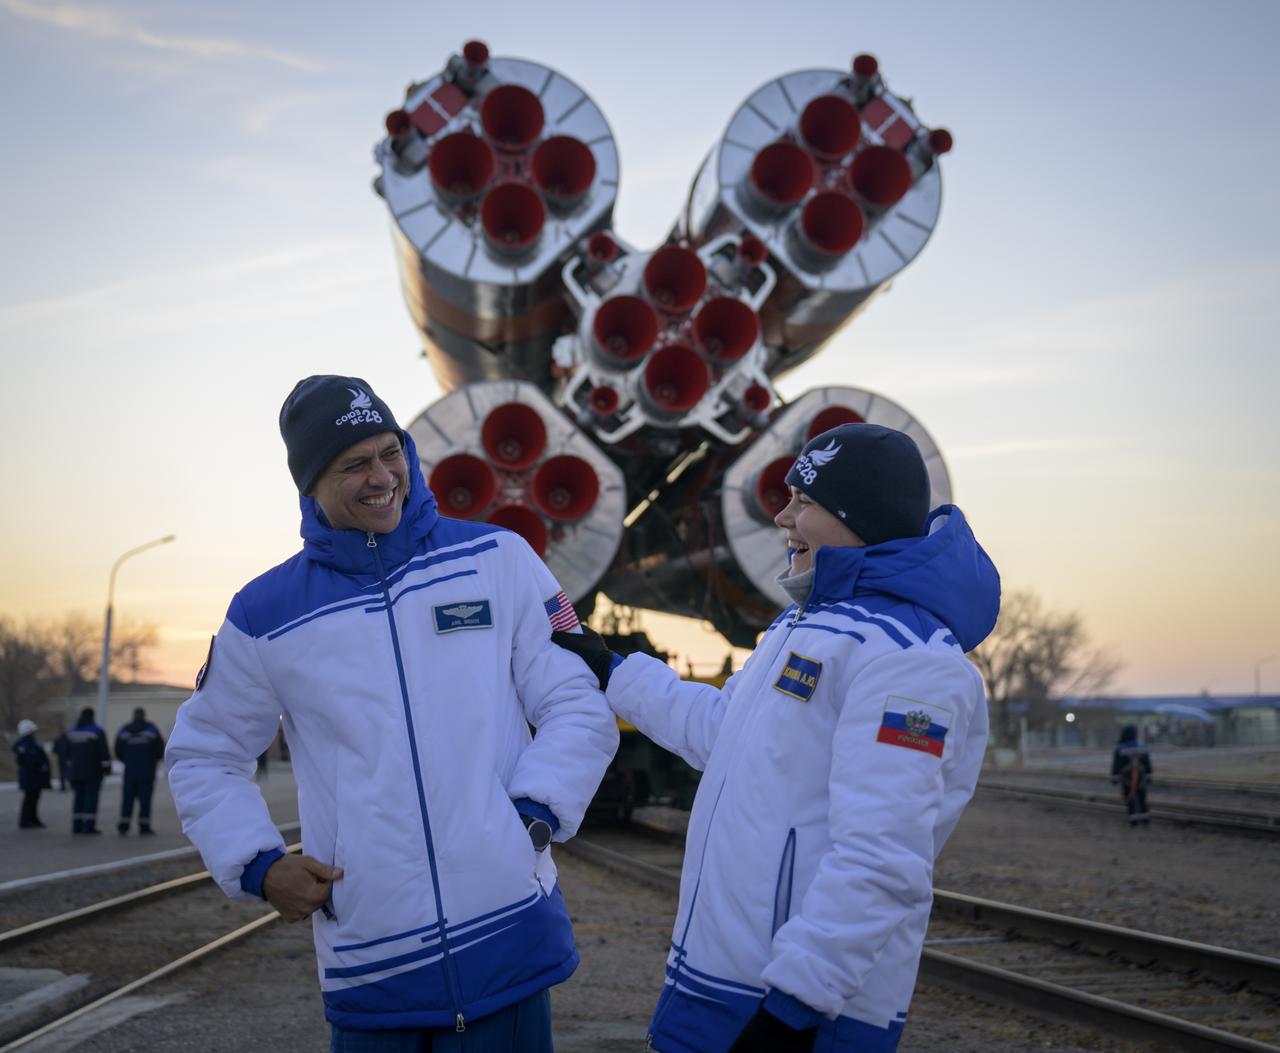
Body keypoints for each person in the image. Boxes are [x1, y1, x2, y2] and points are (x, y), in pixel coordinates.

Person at [166, 375, 617, 1052]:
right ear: (311, 482)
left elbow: (576, 699)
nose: (383, 477)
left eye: (390, 451)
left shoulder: (496, 560)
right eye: (354, 464)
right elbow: (206, 754)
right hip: (374, 962)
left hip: (508, 942)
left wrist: (532, 816)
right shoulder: (264, 616)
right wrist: (258, 864)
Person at [555, 423, 1000, 1053]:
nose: (782, 516)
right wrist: (614, 671)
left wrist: (795, 1006)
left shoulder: (910, 661)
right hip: (713, 984)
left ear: (858, 519)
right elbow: (720, 733)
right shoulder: (803, 624)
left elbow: (882, 858)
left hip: (796, 1010)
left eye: (805, 501)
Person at [114, 706, 165, 835]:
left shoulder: (125, 730)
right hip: (146, 772)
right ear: (144, 715)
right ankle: (144, 826)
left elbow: (117, 749)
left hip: (130, 772)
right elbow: (160, 749)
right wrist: (152, 760)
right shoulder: (151, 729)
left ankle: (124, 826)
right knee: (145, 800)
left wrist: (127, 760)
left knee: (127, 799)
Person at [67, 706, 111, 834]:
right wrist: (106, 768)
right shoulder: (96, 731)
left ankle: (76, 826)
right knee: (90, 799)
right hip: (92, 772)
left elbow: (66, 752)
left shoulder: (71, 732)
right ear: (92, 716)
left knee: (78, 799)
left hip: (75, 772)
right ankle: (88, 827)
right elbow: (103, 752)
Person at [13, 719, 51, 829]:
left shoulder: (27, 744)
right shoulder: (26, 745)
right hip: (31, 777)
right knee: (29, 800)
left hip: (32, 777)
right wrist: (41, 767)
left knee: (33, 799)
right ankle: (25, 821)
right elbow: (31, 760)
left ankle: (33, 819)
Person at [1111, 724, 1152, 826]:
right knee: (1142, 798)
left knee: (1130, 798)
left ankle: (1133, 820)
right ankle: (1145, 819)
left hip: (1127, 779)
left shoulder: (1120, 748)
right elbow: (1147, 763)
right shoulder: (1142, 746)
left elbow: (1116, 765)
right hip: (1141, 778)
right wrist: (1148, 776)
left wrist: (1115, 778)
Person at [52, 724, 70, 791]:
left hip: (62, 758)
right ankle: (64, 785)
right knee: (66, 772)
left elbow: (54, 749)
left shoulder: (59, 740)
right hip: (66, 759)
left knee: (63, 772)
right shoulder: (67, 740)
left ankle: (63, 786)